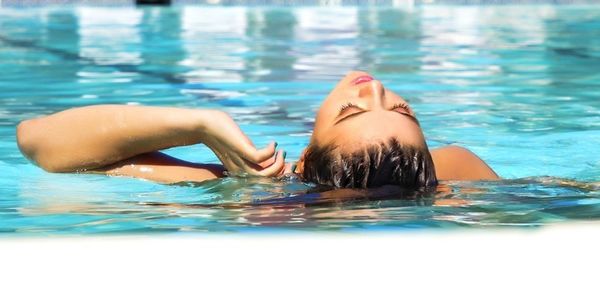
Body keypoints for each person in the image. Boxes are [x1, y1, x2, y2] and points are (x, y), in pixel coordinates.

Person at [16, 71, 499, 189]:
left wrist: (199, 124)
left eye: (351, 112)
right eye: (405, 108)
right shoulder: (454, 175)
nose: (376, 89)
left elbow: (37, 141)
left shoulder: (252, 195)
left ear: (304, 162)